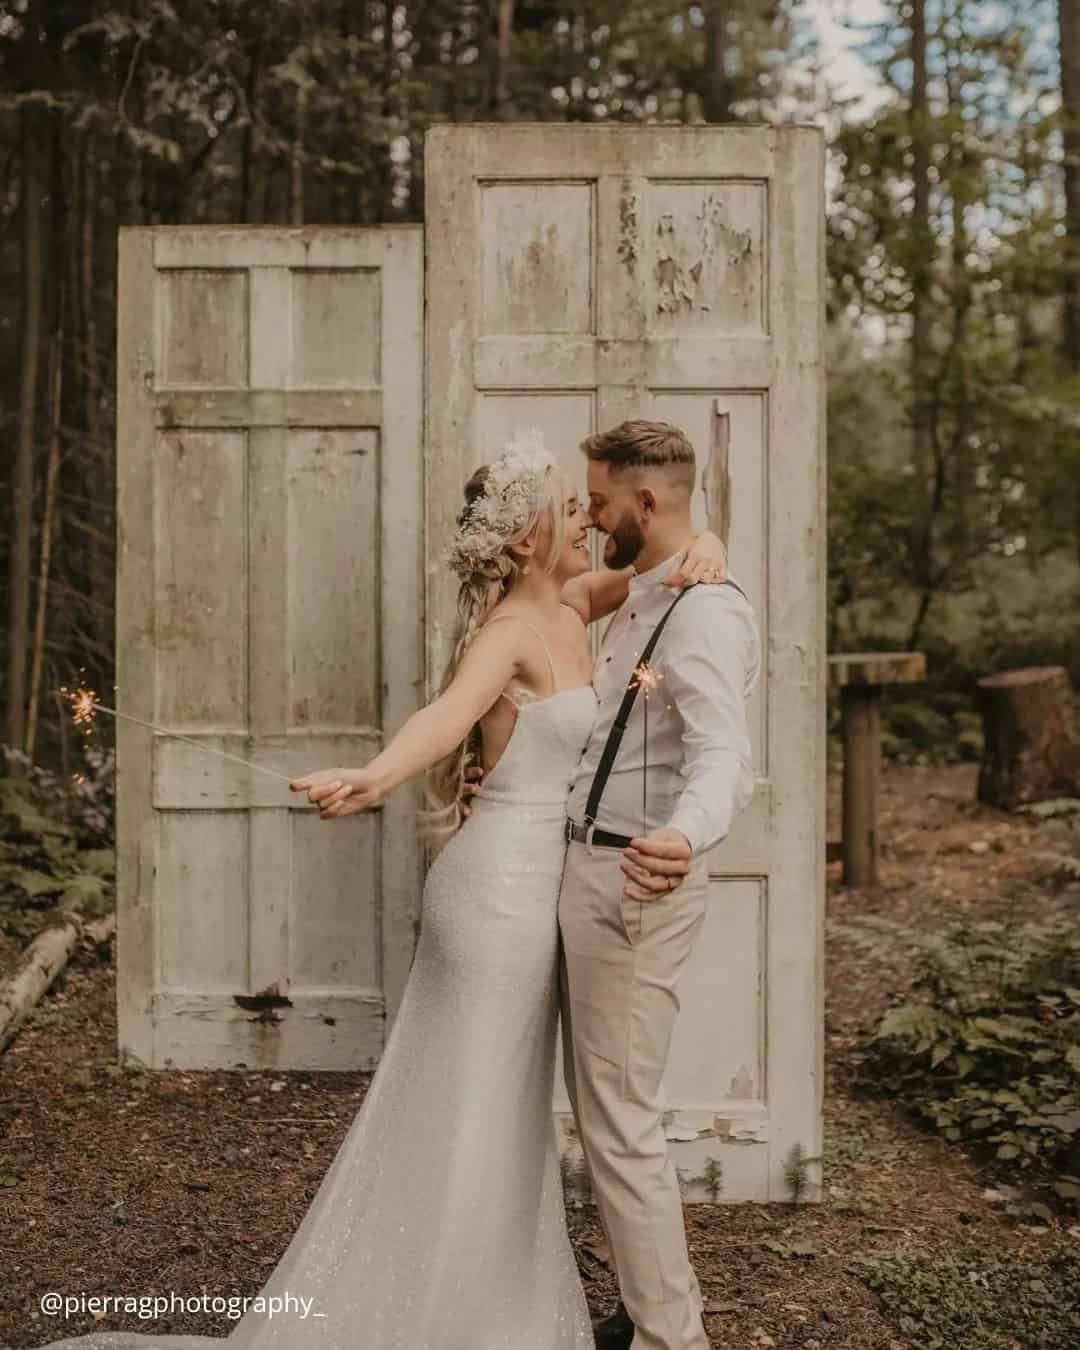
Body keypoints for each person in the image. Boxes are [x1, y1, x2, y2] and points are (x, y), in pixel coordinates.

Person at [30, 429, 727, 1350]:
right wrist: (375, 775)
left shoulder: (573, 601)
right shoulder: (512, 633)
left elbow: (655, 574)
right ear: (525, 538)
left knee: (505, 1109)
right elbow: (444, 719)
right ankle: (444, 1309)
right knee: (471, 1101)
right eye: (566, 507)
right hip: (494, 899)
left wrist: (707, 547)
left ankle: (488, 1299)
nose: (582, 518)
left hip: (539, 892)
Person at [557, 420, 761, 1350]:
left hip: (637, 875)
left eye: (602, 502)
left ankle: (672, 1341)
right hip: (587, 867)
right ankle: (647, 1314)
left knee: (622, 1124)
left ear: (646, 502)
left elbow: (723, 752)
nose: (592, 516)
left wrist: (685, 832)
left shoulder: (707, 612)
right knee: (608, 1120)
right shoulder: (643, 591)